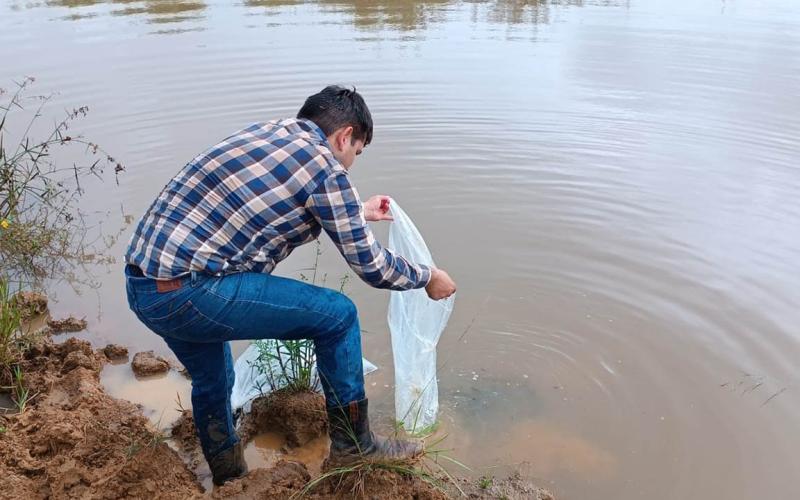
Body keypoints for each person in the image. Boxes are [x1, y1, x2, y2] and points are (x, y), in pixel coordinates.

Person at [123, 85, 457, 486]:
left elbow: (283, 194)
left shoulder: (269, 133)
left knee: (215, 379)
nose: (351, 164)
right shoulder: (327, 170)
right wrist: (427, 276)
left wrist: (357, 211)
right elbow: (373, 268)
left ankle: (229, 479)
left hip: (145, 288)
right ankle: (354, 445)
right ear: (344, 136)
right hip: (193, 293)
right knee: (338, 316)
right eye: (356, 152)